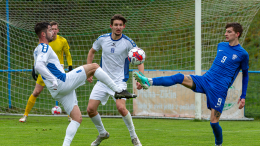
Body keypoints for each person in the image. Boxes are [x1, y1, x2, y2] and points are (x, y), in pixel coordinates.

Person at [133, 22, 249, 146]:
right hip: (205, 80)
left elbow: (246, 75)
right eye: (225, 31)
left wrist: (243, 96)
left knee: (214, 123)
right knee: (179, 77)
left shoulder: (243, 54)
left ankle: (218, 144)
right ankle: (149, 81)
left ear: (237, 34)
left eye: (229, 31)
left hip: (219, 89)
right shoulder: (221, 45)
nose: (226, 34)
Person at [32, 22, 136, 146]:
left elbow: (38, 67)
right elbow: (39, 65)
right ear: (43, 34)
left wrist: (48, 73)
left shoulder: (37, 50)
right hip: (62, 82)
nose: (53, 32)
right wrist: (53, 79)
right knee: (94, 67)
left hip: (56, 91)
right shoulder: (45, 47)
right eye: (50, 30)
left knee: (77, 119)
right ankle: (118, 90)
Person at [86, 14, 144, 146]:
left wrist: (141, 78)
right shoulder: (102, 39)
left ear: (124, 26)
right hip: (102, 81)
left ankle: (134, 137)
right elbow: (91, 52)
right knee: (90, 109)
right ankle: (102, 133)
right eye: (116, 25)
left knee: (121, 108)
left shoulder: (128, 42)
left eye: (120, 25)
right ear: (111, 26)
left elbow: (140, 60)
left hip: (119, 81)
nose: (118, 27)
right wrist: (88, 71)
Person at [19, 21, 73, 122]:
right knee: (36, 92)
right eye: (51, 29)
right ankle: (25, 115)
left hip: (57, 72)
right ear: (46, 32)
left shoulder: (62, 40)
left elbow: (68, 54)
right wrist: (34, 68)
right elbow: (40, 57)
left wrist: (70, 66)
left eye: (55, 29)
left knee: (65, 92)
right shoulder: (44, 43)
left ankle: (70, 115)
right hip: (44, 71)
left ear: (58, 30)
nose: (53, 31)